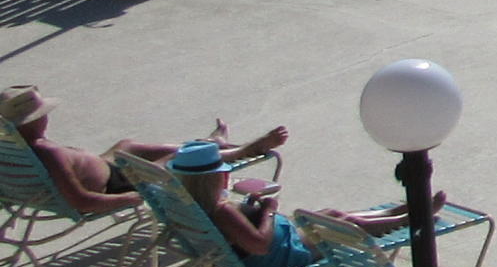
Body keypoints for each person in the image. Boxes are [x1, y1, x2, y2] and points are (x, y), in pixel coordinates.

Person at [2, 88, 286, 220]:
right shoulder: (48, 153)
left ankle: (211, 143)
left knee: (128, 144)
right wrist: (134, 197)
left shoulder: (13, 147)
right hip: (117, 184)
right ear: (37, 120)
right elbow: (80, 199)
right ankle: (239, 149)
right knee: (178, 161)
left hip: (109, 167)